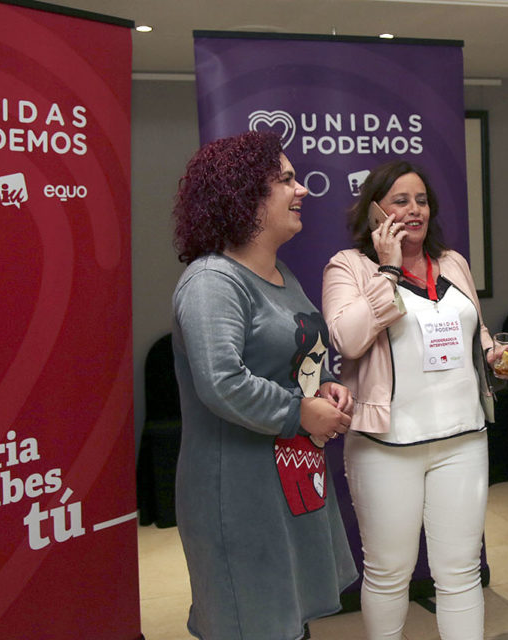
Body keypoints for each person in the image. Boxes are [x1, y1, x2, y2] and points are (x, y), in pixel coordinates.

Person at [321, 160, 508, 640]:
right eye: (399, 200)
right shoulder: (348, 267)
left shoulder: (452, 262)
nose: (414, 210)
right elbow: (348, 339)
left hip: (463, 439)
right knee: (390, 573)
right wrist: (388, 267)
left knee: (460, 571)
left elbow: (473, 331)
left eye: (421, 200)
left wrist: (498, 354)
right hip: (386, 445)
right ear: (374, 211)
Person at [170, 130, 357, 640]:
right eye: (287, 180)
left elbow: (296, 361)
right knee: (249, 621)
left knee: (286, 620)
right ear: (244, 194)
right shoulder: (213, 282)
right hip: (237, 491)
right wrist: (299, 412)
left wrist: (326, 389)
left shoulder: (283, 275)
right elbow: (222, 380)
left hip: (288, 480)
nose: (303, 190)